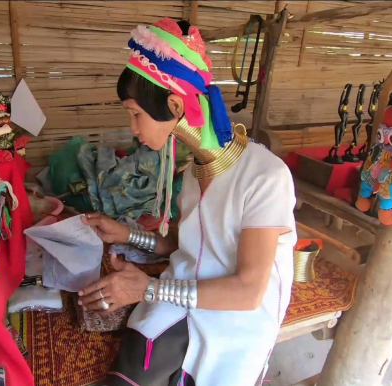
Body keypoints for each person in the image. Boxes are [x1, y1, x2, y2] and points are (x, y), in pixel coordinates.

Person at [78, 18, 296, 386]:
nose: (133, 127)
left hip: (236, 317)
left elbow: (248, 291)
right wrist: (127, 235)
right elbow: (189, 245)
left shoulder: (265, 177)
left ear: (175, 105)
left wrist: (144, 289)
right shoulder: (195, 172)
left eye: (135, 113)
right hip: (183, 297)